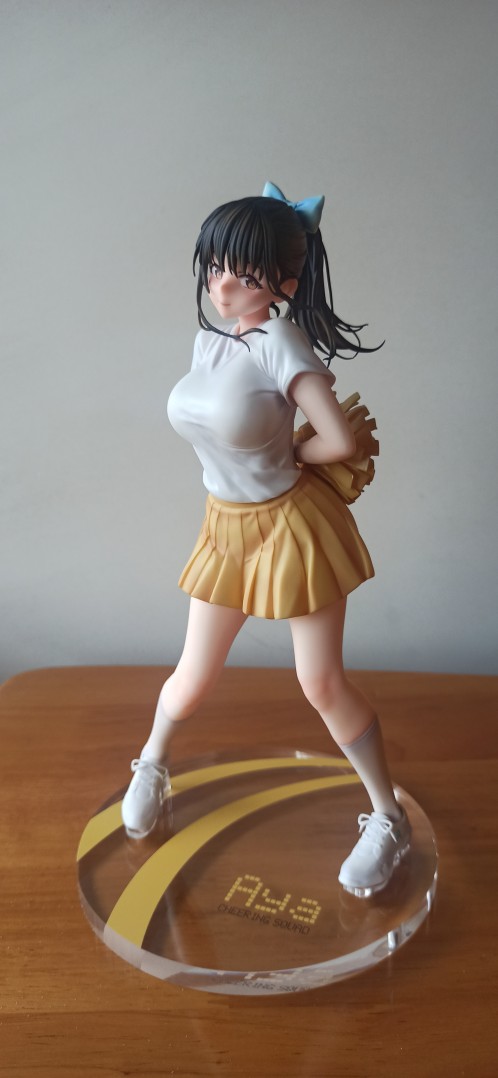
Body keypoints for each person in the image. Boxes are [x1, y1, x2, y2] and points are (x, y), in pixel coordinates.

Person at [121, 182, 411, 898]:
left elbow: (338, 440)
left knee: (320, 683)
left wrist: (286, 456)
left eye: (244, 276)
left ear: (283, 283)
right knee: (193, 674)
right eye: (216, 267)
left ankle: (389, 817)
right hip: (225, 526)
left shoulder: (280, 341)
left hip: (291, 528)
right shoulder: (210, 341)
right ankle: (152, 763)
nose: (222, 286)